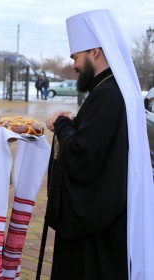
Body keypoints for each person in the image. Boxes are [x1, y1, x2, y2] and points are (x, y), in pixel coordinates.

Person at [44, 10, 154, 279]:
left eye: (76, 57)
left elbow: (82, 156)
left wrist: (63, 125)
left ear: (94, 52)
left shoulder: (108, 95)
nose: (74, 66)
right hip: (108, 221)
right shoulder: (111, 90)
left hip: (97, 235)